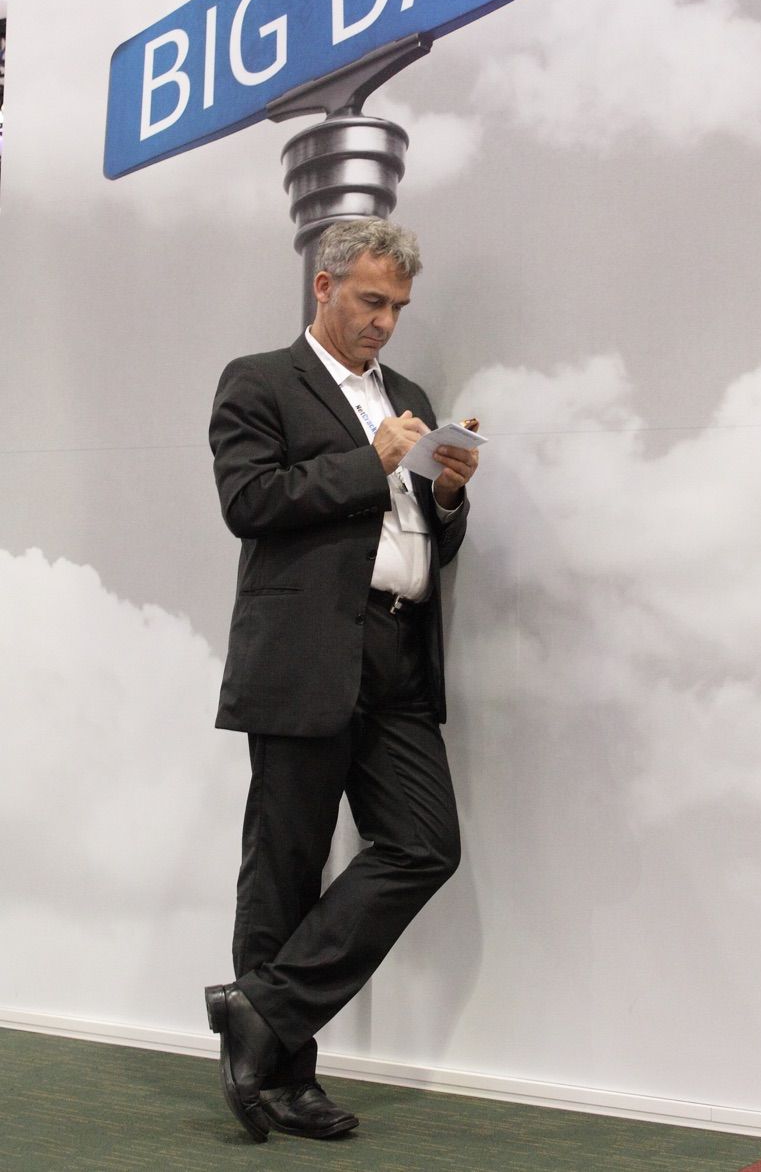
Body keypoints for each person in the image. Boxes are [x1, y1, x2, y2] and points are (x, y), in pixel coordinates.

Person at [204, 218, 478, 1142]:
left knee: (424, 844)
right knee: (284, 866)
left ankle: (263, 1011)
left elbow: (429, 537)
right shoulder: (259, 381)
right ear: (323, 289)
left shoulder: (408, 394)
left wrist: (446, 492)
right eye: (371, 301)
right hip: (305, 650)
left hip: (399, 652)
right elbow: (251, 502)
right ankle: (284, 1079)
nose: (386, 323)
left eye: (398, 307)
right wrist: (374, 462)